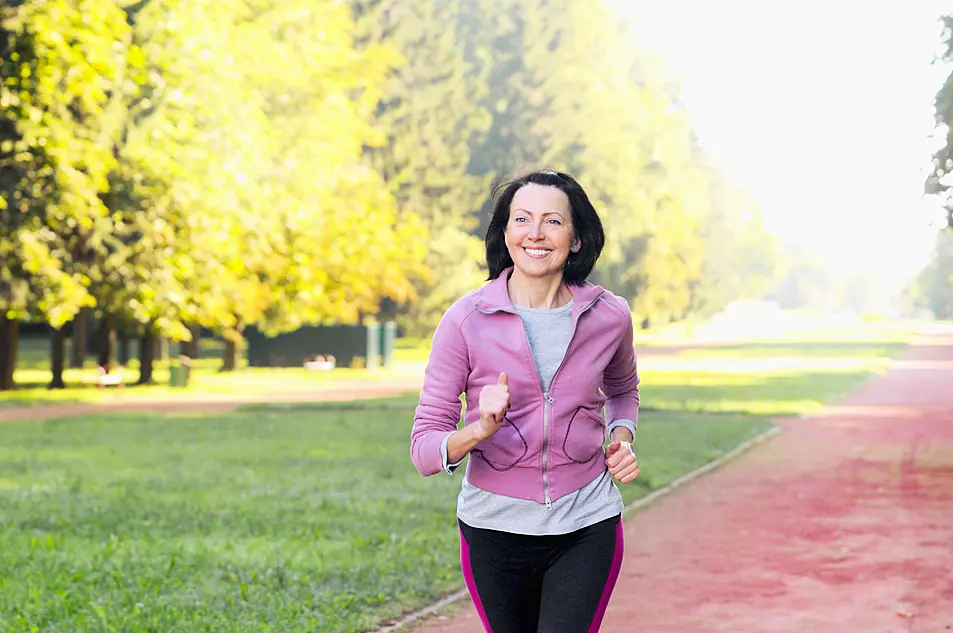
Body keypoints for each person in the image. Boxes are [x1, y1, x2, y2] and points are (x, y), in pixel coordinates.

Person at [410, 170, 641, 632]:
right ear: (507, 233)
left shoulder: (609, 315)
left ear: (576, 239)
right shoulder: (465, 320)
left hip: (586, 521)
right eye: (522, 219)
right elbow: (423, 450)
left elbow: (623, 389)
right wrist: (479, 428)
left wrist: (621, 438)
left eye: (553, 221)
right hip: (493, 530)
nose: (535, 233)